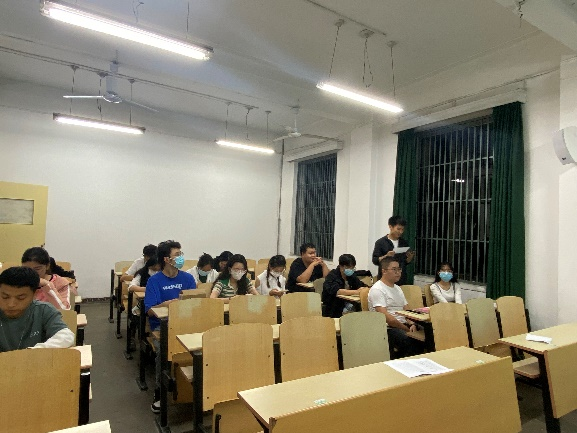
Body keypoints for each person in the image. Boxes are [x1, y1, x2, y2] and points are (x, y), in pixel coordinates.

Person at [144, 240, 196, 413]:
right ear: (166, 259)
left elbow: (195, 304)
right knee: (163, 351)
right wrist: (168, 304)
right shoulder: (154, 281)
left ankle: (199, 389)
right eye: (177, 255)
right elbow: (149, 310)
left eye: (181, 254)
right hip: (162, 327)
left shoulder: (188, 278)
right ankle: (160, 392)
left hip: (186, 325)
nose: (181, 258)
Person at [0, 266, 75, 352]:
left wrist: (35, 351)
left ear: (34, 294)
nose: (11, 304)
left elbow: (66, 336)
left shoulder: (43, 310)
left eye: (20, 298)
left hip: (35, 359)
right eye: (5, 297)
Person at [368, 257, 422, 359]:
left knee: (428, 334)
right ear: (384, 271)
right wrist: (406, 329)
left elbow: (407, 309)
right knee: (411, 341)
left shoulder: (397, 288)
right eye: (394, 269)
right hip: (388, 328)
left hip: (403, 324)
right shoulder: (377, 289)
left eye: (399, 269)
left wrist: (412, 323)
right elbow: (387, 318)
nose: (398, 272)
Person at [372, 215, 415, 285]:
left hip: (401, 279)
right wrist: (386, 256)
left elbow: (404, 262)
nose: (400, 232)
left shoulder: (404, 243)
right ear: (390, 227)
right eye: (398, 229)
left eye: (402, 229)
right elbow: (375, 260)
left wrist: (409, 259)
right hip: (386, 279)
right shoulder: (381, 242)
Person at [322, 254, 368, 318]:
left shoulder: (351, 276)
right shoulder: (332, 275)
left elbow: (360, 285)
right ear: (341, 266)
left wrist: (365, 289)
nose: (351, 269)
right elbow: (337, 291)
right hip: (334, 306)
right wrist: (356, 292)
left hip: (349, 304)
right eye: (349, 267)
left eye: (353, 268)